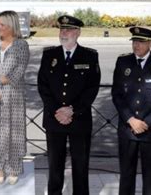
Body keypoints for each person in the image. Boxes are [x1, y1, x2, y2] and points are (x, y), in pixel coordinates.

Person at [38, 15, 101, 195]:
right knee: (54, 165)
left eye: (68, 29)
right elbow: (43, 86)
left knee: (80, 165)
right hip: (54, 118)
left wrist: (72, 110)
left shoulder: (90, 56)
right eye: (61, 29)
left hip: (79, 120)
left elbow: (92, 89)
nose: (64, 33)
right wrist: (57, 111)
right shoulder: (49, 54)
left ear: (78, 32)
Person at [111, 26, 151, 195]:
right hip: (127, 128)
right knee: (126, 175)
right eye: (134, 41)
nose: (136, 45)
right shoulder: (123, 62)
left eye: (141, 42)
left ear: (150, 43)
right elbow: (117, 94)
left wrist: (146, 123)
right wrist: (131, 119)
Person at [0, 10, 30, 185]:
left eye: (2, 25)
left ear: (12, 26)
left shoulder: (21, 45)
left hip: (13, 95)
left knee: (13, 133)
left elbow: (18, 72)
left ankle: (13, 168)